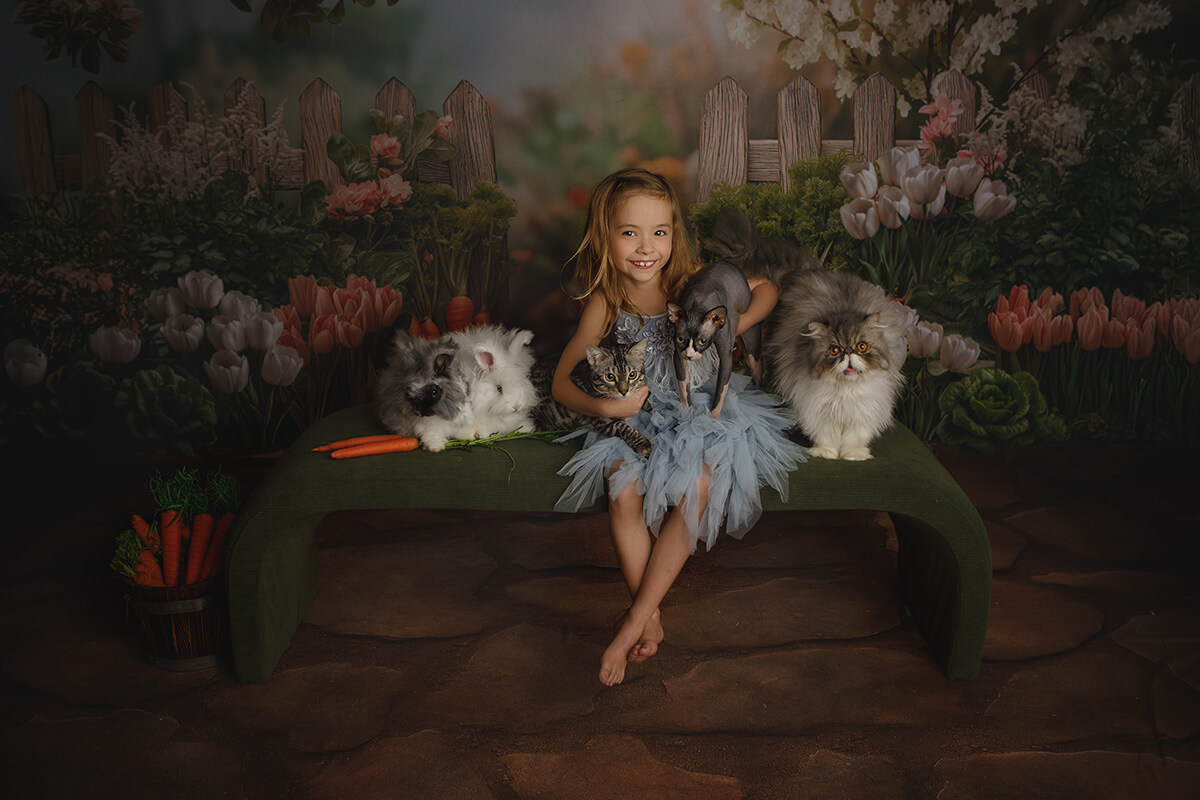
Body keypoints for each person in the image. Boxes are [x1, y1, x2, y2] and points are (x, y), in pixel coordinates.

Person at [550, 167, 806, 686]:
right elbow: (560, 383)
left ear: (674, 236)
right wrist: (607, 412)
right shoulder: (606, 304)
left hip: (701, 408)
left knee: (699, 481)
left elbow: (767, 289)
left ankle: (631, 626)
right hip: (636, 414)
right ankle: (651, 615)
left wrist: (735, 323)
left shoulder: (690, 282)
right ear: (605, 237)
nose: (647, 248)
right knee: (622, 489)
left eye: (659, 232)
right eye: (629, 233)